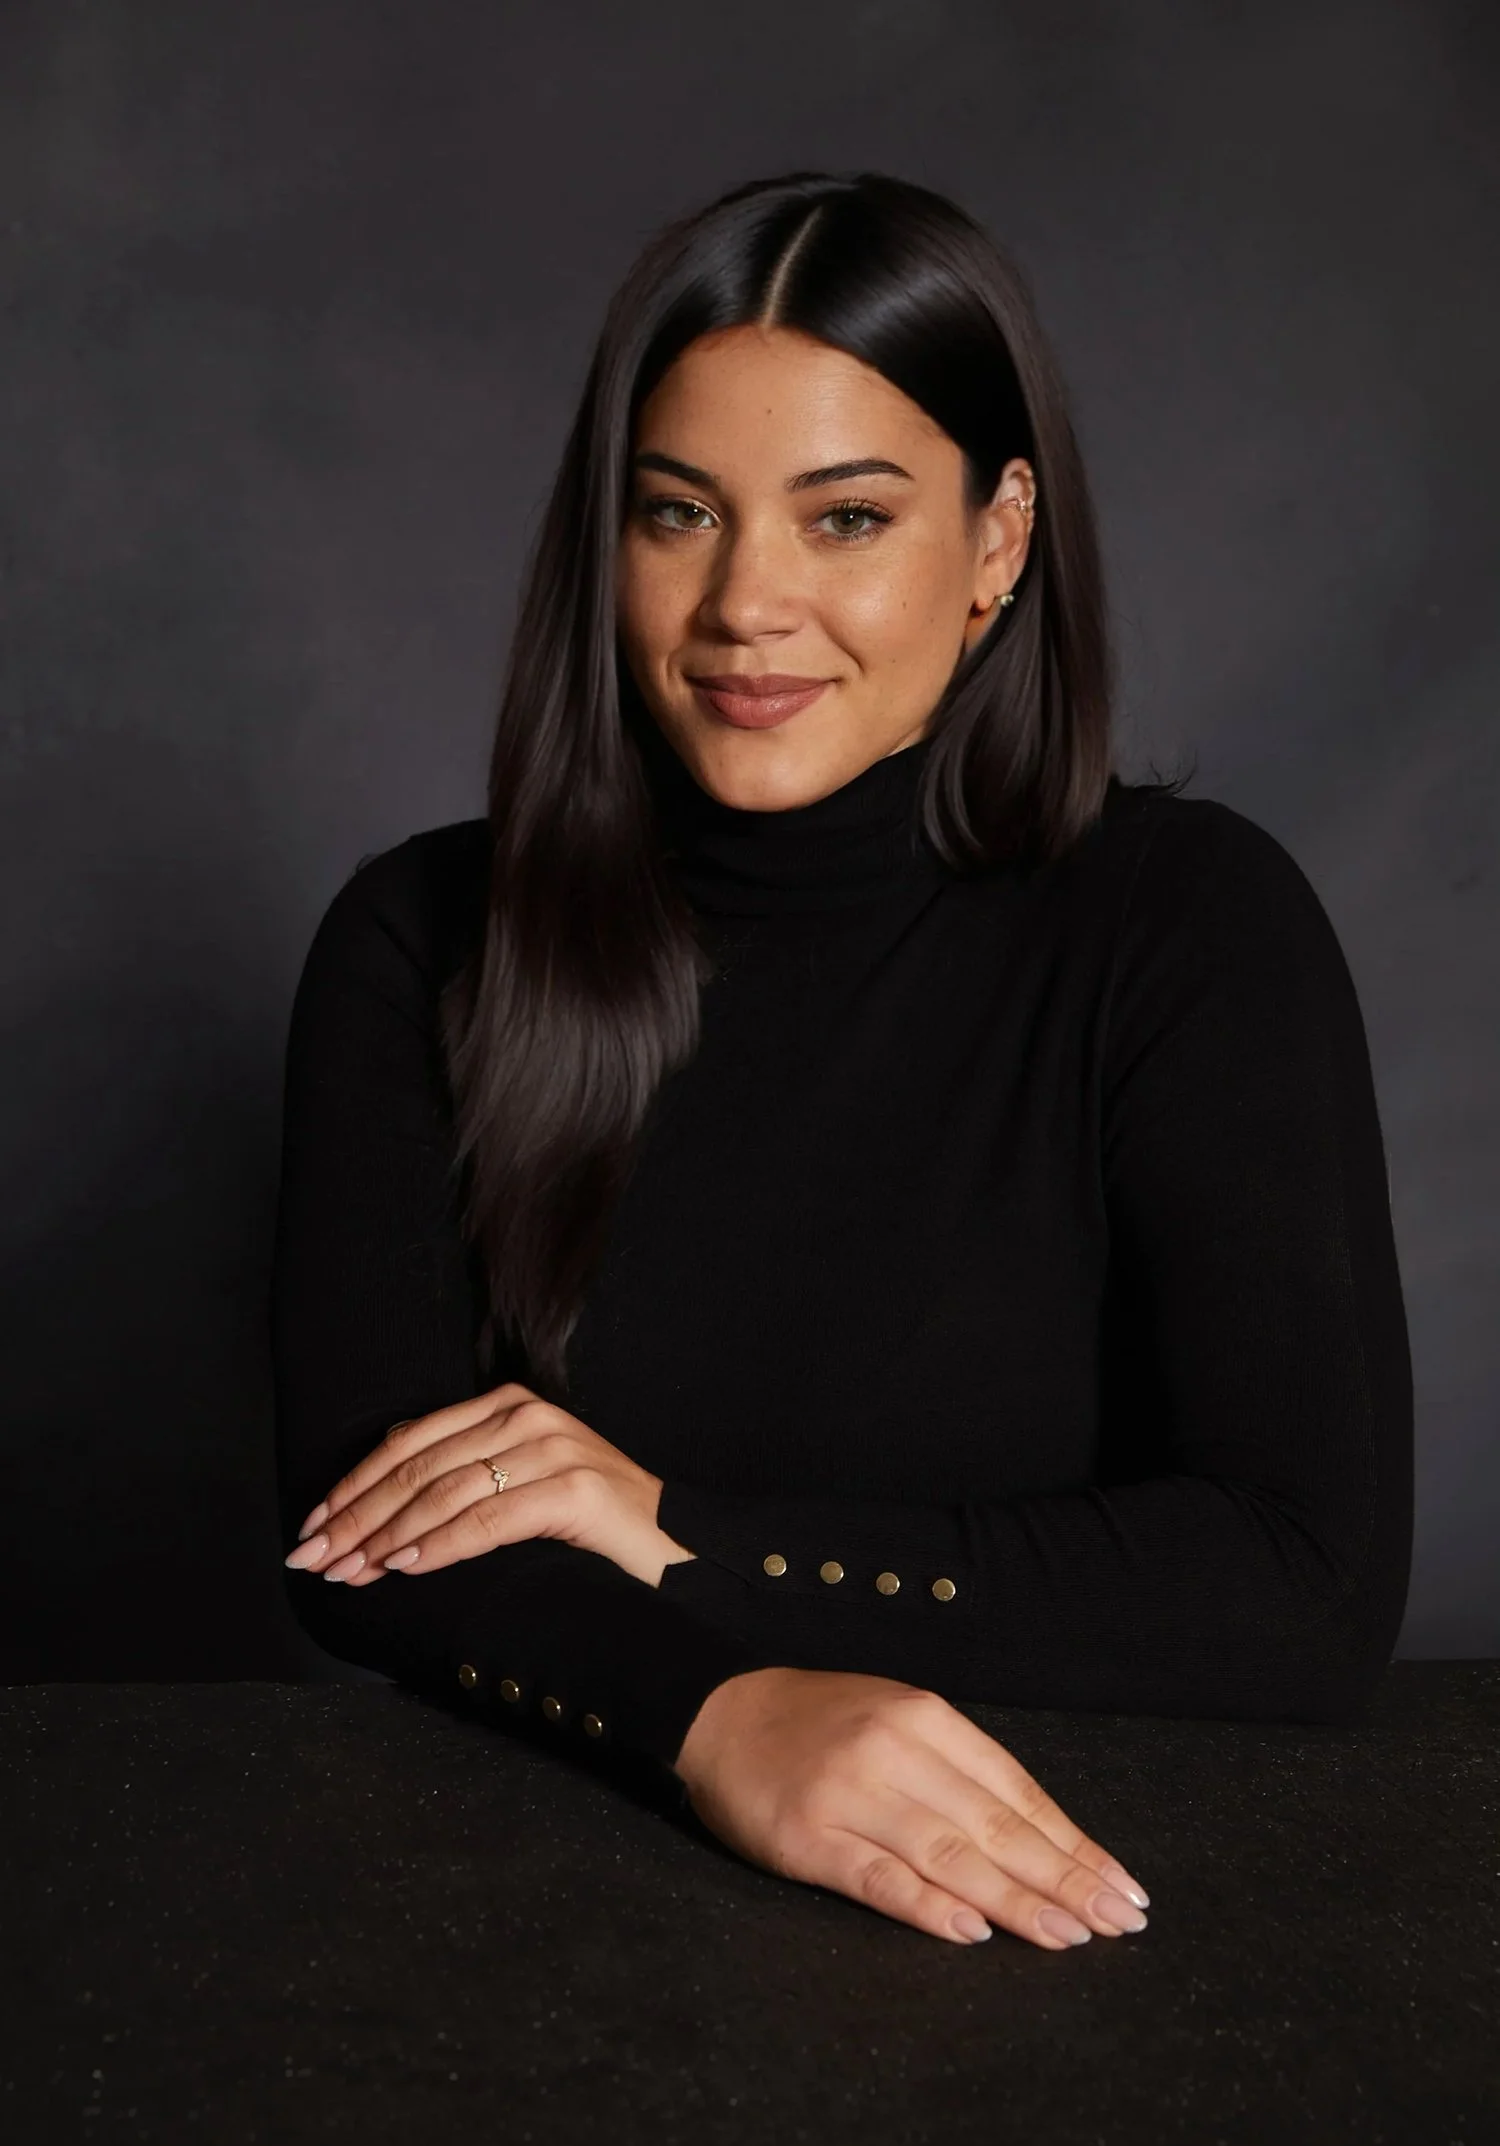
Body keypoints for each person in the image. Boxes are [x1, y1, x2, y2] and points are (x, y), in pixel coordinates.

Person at [269, 169, 1413, 1956]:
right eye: (679, 513)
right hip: (523, 1942)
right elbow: (365, 1543)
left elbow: (1301, 1590)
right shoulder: (420, 938)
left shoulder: (1191, 925)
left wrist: (676, 1532)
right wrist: (724, 1720)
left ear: (1000, 542)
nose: (748, 603)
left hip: (1060, 1922)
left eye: (848, 518)